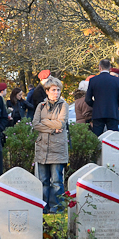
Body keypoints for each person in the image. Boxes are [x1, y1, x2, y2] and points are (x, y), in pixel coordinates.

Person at [32, 77, 69, 214]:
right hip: (42, 147)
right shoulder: (40, 106)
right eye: (53, 90)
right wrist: (52, 128)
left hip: (57, 148)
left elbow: (61, 124)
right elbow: (36, 124)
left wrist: (45, 121)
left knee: (56, 181)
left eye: (58, 90)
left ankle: (57, 207)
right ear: (47, 91)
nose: (56, 92)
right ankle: (44, 207)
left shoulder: (63, 105)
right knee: (43, 180)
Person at [85, 58, 119, 136]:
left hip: (98, 112)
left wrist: (95, 105)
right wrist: (115, 104)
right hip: (112, 112)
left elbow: (87, 99)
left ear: (100, 67)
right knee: (113, 137)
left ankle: (97, 148)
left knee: (97, 137)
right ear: (110, 68)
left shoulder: (93, 80)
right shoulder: (117, 80)